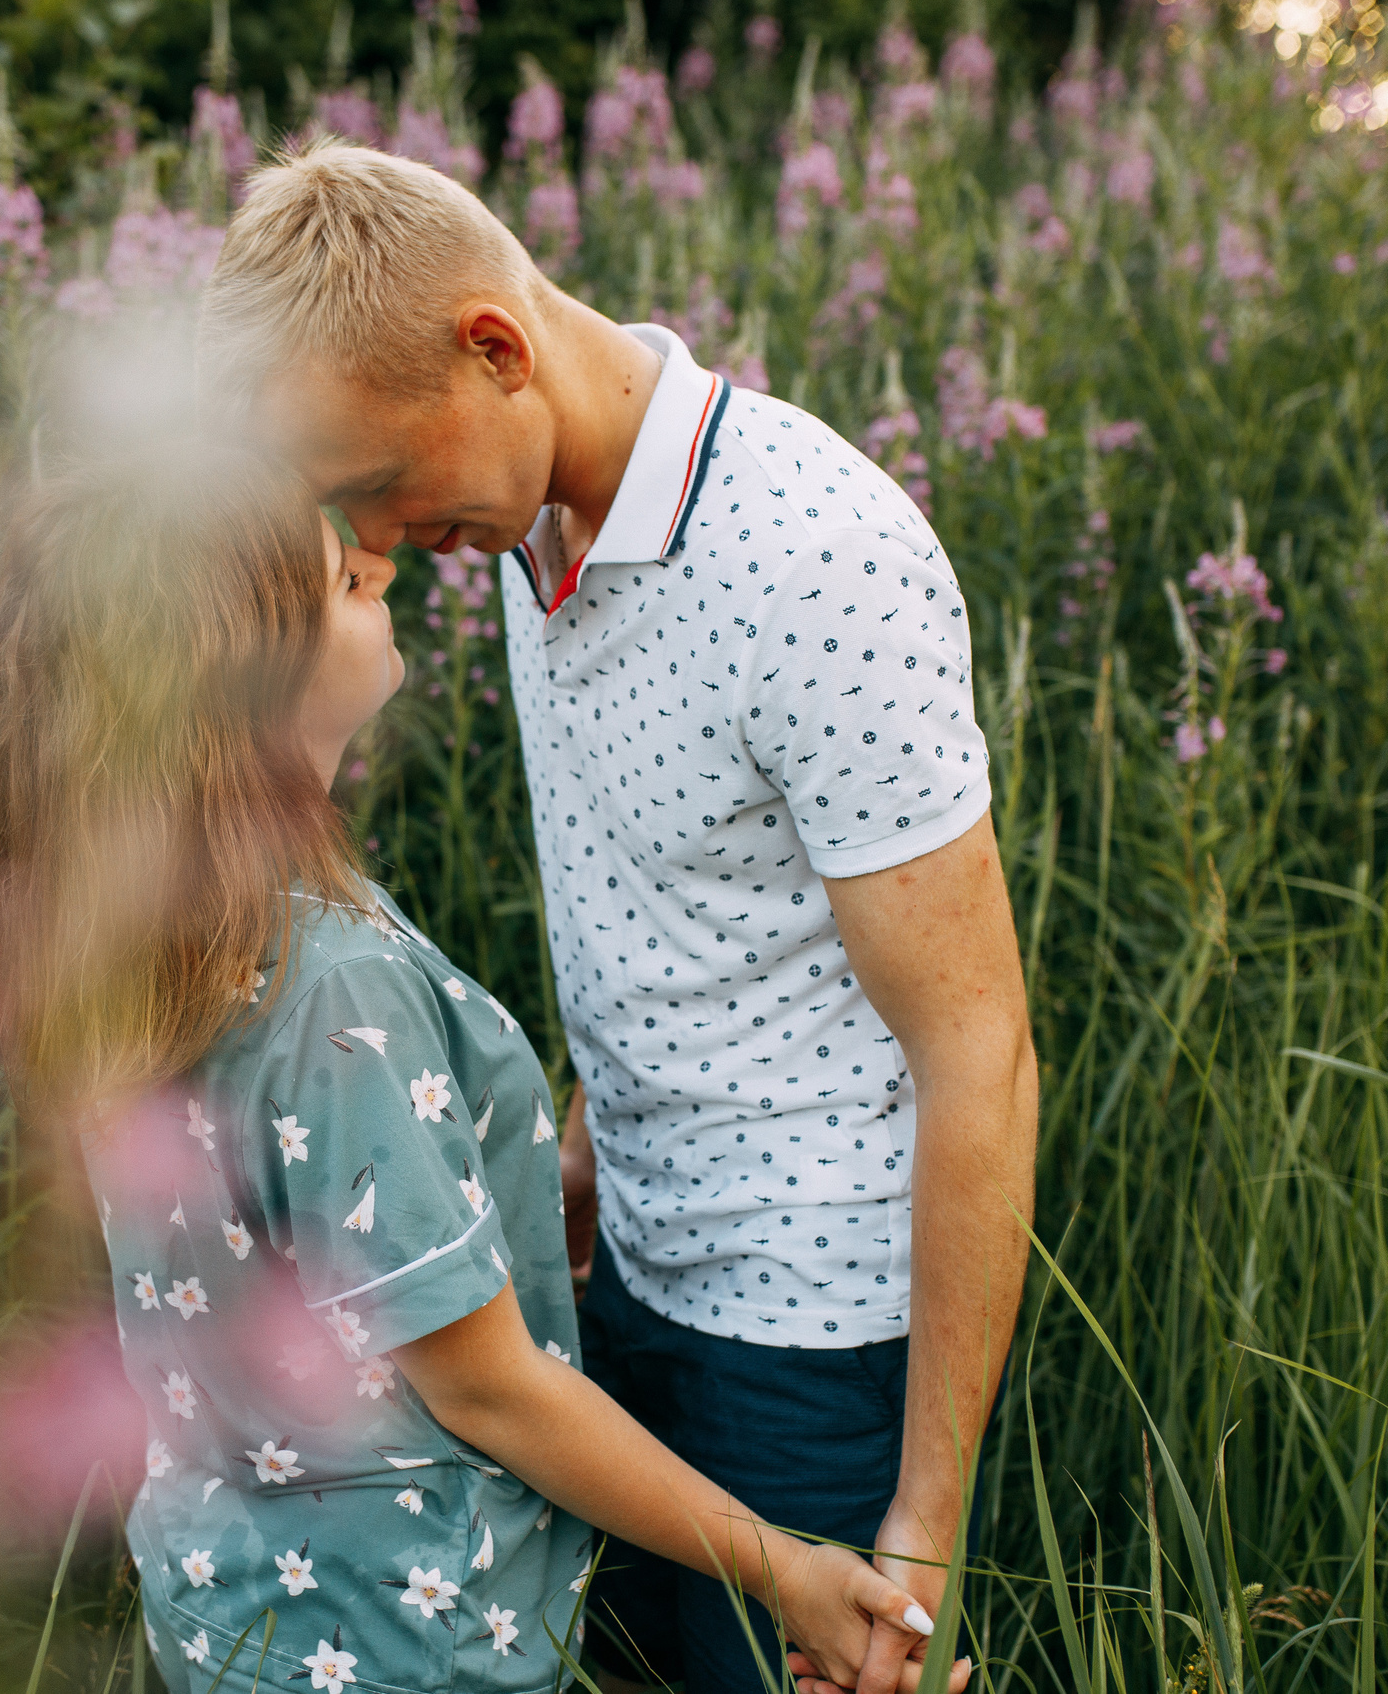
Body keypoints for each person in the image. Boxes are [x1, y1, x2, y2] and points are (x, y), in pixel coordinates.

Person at [199, 142, 1036, 1694]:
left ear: (496, 351)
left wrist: (923, 1524)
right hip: (612, 1284)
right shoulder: (526, 528)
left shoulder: (814, 558)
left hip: (809, 1338)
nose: (370, 538)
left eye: (375, 481)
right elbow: (663, 917)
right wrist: (570, 1171)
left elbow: (978, 1045)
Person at [0, 452, 931, 1694]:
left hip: (232, 1610)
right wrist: (784, 1571)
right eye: (337, 578)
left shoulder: (144, 944)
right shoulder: (332, 987)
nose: (374, 559)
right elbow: (490, 1392)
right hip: (405, 1640)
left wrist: (538, 1195)